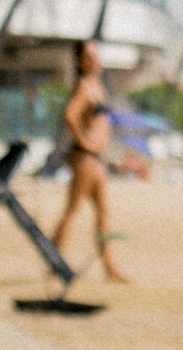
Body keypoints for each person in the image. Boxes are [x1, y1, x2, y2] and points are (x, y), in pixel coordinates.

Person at [51, 41, 130, 281]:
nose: (96, 62)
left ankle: (109, 268)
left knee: (103, 215)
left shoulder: (97, 86)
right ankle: (54, 262)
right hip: (86, 159)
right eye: (90, 58)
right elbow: (70, 115)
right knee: (72, 211)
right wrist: (84, 141)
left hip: (97, 160)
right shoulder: (85, 88)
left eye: (97, 57)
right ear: (81, 62)